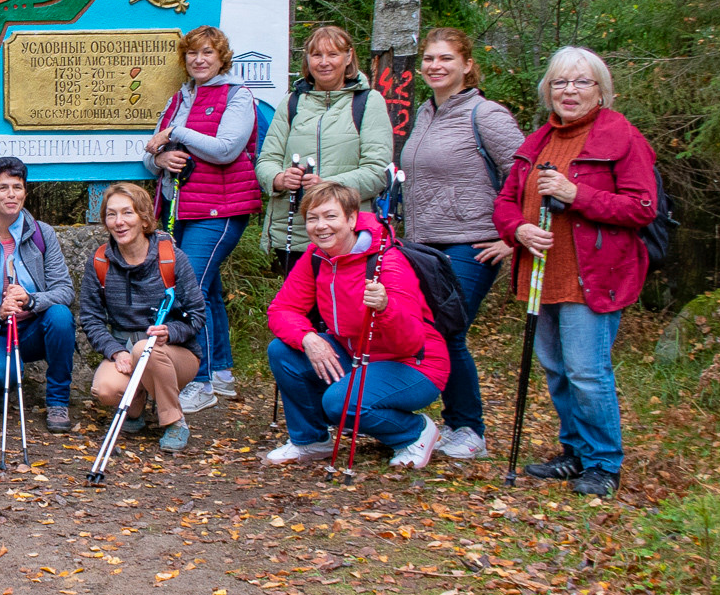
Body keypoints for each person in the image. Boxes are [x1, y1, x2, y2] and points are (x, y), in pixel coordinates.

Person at [493, 47, 657, 497]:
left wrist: (576, 193)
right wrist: (519, 229)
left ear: (601, 91)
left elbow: (643, 207)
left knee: (587, 371)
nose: (569, 91)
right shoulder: (538, 140)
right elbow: (505, 202)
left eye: (581, 82)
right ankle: (575, 453)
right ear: (547, 91)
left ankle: (604, 463)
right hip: (542, 274)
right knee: (558, 370)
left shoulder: (621, 137)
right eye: (560, 83)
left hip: (594, 275)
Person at [398, 28, 525, 461]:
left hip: (472, 242)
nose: (435, 66)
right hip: (423, 242)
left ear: (467, 64)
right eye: (429, 58)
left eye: (446, 58)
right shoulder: (425, 113)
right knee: (428, 329)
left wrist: (513, 237)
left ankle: (468, 427)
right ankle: (445, 420)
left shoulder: (486, 114)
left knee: (448, 330)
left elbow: (524, 177)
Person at [263, 182, 448, 470]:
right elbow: (283, 309)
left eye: (330, 216)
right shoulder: (316, 257)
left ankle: (415, 432)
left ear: (351, 219)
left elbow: (411, 341)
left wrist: (386, 308)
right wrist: (309, 338)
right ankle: (310, 440)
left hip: (414, 364)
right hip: (356, 355)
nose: (321, 226)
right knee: (283, 351)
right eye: (313, 218)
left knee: (339, 404)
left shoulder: (387, 262)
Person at [143, 26, 261, 413]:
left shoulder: (237, 96)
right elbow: (151, 151)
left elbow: (226, 149)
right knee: (207, 290)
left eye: (208, 53)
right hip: (182, 210)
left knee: (191, 289)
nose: (199, 60)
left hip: (221, 210)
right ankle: (223, 374)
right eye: (192, 53)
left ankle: (202, 379)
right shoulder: (180, 98)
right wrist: (161, 159)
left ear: (221, 57)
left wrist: (177, 133)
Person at [75, 183, 209, 452]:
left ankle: (174, 421)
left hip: (174, 353)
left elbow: (197, 315)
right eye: (111, 215)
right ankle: (134, 411)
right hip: (125, 349)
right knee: (106, 389)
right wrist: (114, 352)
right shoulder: (100, 261)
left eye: (128, 213)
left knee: (145, 350)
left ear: (144, 218)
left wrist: (170, 331)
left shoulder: (171, 258)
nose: (119, 222)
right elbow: (90, 318)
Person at [0, 156, 77, 433]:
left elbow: (65, 291)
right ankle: (1, 381)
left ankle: (57, 401)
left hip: (33, 328)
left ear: (25, 192)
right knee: (4, 373)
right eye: (3, 188)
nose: (11, 195)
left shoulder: (43, 233)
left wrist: (32, 300)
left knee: (60, 315)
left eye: (17, 188)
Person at [255, 25, 395, 268]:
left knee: (343, 306)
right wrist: (279, 178)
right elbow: (266, 160)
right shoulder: (292, 101)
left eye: (333, 54)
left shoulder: (368, 102)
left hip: (349, 235)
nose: (324, 62)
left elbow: (377, 172)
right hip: (295, 233)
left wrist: (326, 186)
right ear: (308, 59)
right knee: (298, 306)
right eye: (317, 55)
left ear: (349, 57)